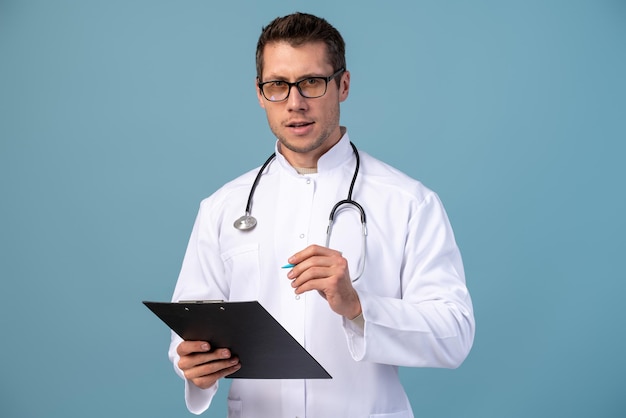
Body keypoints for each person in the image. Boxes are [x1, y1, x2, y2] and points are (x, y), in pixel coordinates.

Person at [168, 12, 475, 418]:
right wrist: (191, 364)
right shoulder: (223, 207)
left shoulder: (409, 202)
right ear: (260, 94)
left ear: (343, 85)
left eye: (311, 82)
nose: (295, 103)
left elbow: (454, 334)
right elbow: (190, 329)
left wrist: (357, 306)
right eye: (278, 85)